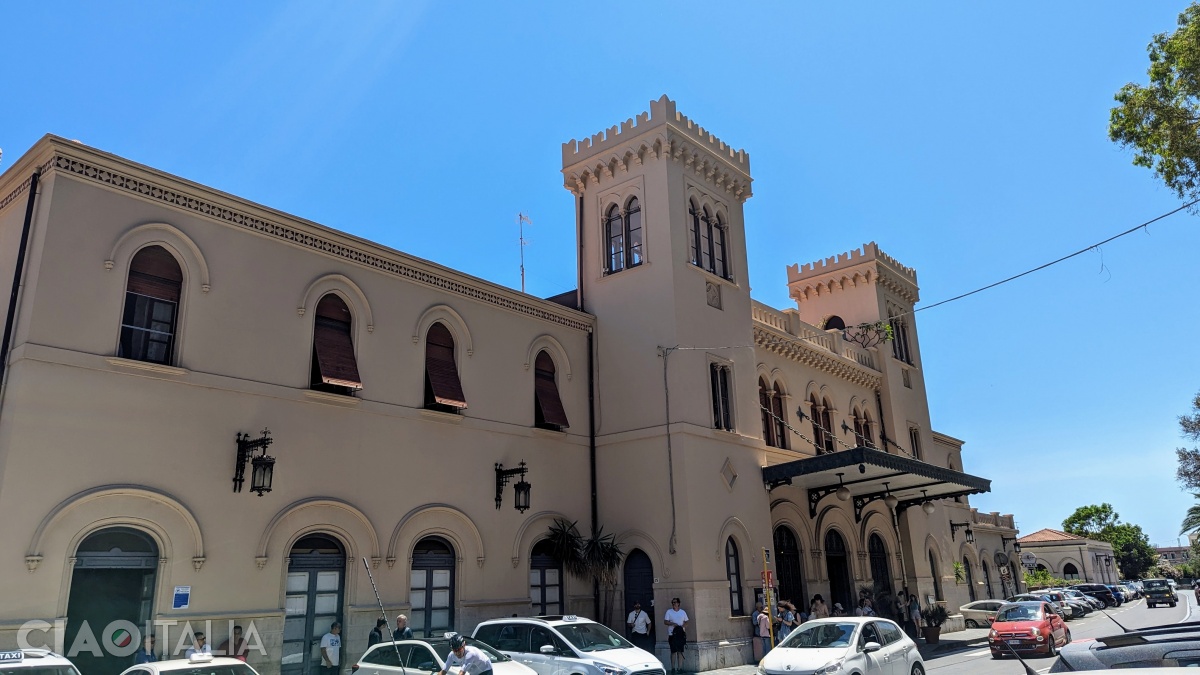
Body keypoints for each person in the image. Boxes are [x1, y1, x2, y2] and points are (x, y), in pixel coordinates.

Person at [664, 597, 688, 673]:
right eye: (673, 602)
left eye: (675, 602)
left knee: (680, 651)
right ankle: (673, 668)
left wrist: (682, 627)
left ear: (678, 603)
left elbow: (687, 621)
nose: (674, 604)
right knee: (673, 651)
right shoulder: (669, 612)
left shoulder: (683, 612)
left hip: (680, 635)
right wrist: (673, 624)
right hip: (672, 635)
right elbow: (665, 622)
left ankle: (680, 668)